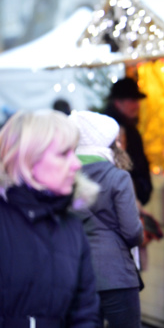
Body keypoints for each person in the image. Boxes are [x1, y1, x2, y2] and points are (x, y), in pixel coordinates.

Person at [0, 110, 100, 327]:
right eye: (63, 154)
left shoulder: (73, 227)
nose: (76, 164)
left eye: (74, 153)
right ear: (28, 158)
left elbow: (85, 313)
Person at [69, 111, 144, 328]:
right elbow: (132, 232)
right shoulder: (118, 177)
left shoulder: (64, 176)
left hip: (77, 272)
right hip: (116, 274)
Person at [103, 76, 153, 206]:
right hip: (122, 200)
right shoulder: (114, 129)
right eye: (132, 100)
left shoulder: (128, 127)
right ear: (118, 102)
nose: (137, 105)